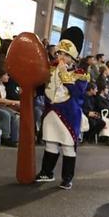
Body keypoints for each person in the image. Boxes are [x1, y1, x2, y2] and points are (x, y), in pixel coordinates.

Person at [35, 28, 89, 189]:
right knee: (50, 143)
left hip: (69, 115)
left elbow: (78, 93)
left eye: (66, 55)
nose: (61, 57)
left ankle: (67, 178)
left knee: (67, 146)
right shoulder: (49, 69)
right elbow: (41, 87)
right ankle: (46, 172)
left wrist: (65, 74)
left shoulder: (81, 74)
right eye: (59, 53)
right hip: (51, 111)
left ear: (73, 58)